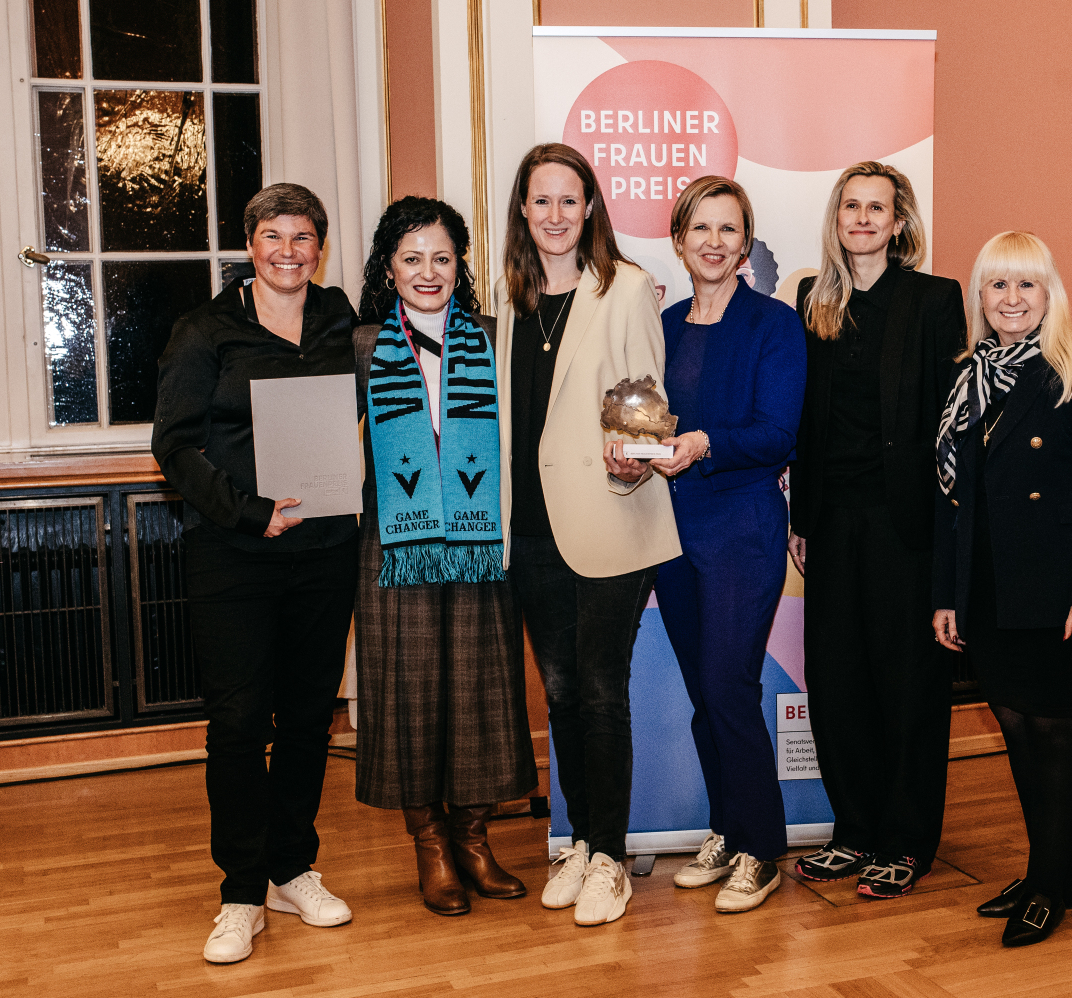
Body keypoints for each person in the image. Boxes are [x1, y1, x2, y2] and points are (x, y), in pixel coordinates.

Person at [152, 183, 358, 964]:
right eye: (273, 236)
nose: (288, 252)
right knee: (239, 725)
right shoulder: (206, 330)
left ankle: (290, 867)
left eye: (302, 238)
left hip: (324, 552)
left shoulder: (341, 318)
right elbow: (173, 445)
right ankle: (240, 892)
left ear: (319, 246)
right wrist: (249, 511)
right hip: (234, 553)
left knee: (308, 719)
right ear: (250, 243)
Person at [495, 143, 680, 927]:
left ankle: (610, 854)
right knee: (563, 690)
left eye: (570, 201)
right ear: (523, 212)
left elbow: (645, 398)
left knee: (602, 690)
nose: (556, 216)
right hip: (530, 529)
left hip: (608, 515)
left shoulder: (627, 287)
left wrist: (636, 462)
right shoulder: (509, 300)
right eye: (541, 202)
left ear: (592, 208)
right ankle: (575, 839)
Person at [931, 231, 1072, 946]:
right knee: (1015, 729)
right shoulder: (968, 375)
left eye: (1026, 286)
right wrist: (947, 594)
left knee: (1056, 736)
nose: (1012, 300)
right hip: (988, 590)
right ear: (980, 298)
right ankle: (1051, 867)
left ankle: (1049, 883)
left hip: (1060, 592)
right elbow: (954, 502)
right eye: (997, 286)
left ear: (1050, 295)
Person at [351, 196, 537, 916]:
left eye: (442, 257)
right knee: (409, 695)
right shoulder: (361, 344)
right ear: (389, 268)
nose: (428, 272)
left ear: (461, 266)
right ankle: (430, 846)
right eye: (411, 258)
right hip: (394, 546)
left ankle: (475, 839)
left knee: (481, 690)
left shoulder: (497, 338)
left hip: (481, 542)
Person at [788, 161, 966, 898]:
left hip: (906, 526)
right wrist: (801, 518)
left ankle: (906, 840)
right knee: (837, 682)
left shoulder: (933, 300)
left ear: (899, 224)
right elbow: (804, 421)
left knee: (907, 686)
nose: (862, 219)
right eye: (850, 207)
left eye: (877, 209)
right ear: (836, 219)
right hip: (831, 523)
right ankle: (854, 830)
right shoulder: (812, 301)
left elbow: (953, 425)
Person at [649, 177, 807, 913]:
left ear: (745, 243)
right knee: (702, 698)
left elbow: (778, 434)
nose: (713, 241)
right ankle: (725, 826)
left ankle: (762, 848)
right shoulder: (665, 323)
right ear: (679, 241)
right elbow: (646, 422)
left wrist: (706, 442)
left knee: (729, 688)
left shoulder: (774, 325)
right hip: (669, 532)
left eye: (728, 229)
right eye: (699, 228)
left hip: (741, 529)